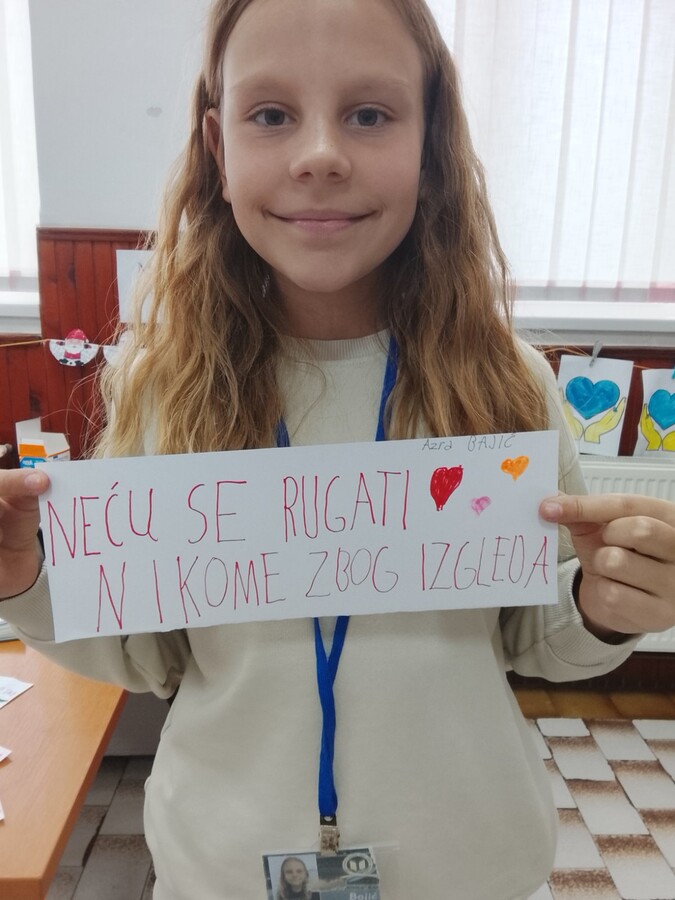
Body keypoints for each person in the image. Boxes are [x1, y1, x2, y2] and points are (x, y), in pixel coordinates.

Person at [1, 0, 673, 897]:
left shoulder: (505, 381)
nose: (319, 155)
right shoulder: (168, 386)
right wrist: (27, 583)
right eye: (271, 114)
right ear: (218, 148)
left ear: (431, 144)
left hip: (468, 864)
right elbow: (144, 651)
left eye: (368, 113)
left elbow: (535, 636)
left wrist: (603, 605)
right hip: (224, 867)